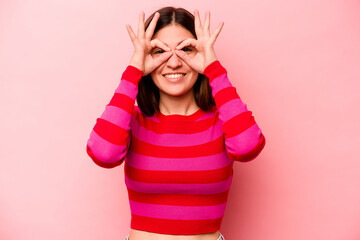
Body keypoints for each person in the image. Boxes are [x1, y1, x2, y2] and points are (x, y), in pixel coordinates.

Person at [86, 6, 266, 240]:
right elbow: (103, 154)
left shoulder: (222, 121)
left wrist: (213, 67)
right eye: (159, 51)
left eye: (186, 50)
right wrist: (134, 69)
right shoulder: (132, 121)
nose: (173, 63)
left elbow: (247, 146)